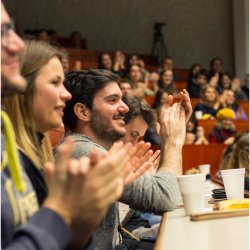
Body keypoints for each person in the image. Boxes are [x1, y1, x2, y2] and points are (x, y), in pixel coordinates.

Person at [1, 21, 130, 249]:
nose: (66, 95)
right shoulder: (10, 158)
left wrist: (81, 224)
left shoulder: (35, 155)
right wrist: (61, 213)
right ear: (22, 87)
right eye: (55, 83)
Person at [60, 69, 192, 249]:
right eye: (112, 100)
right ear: (83, 111)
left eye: (122, 99)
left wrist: (173, 140)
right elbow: (167, 198)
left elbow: (166, 194)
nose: (125, 107)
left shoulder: (86, 148)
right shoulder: (83, 152)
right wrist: (173, 142)